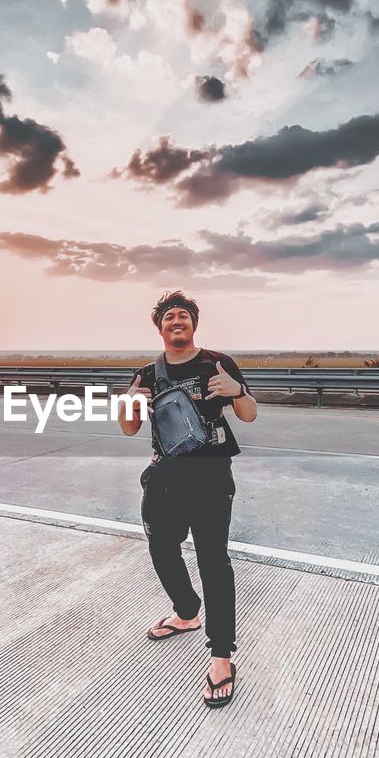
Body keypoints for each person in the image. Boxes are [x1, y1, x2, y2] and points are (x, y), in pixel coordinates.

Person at [117, 291, 257, 708]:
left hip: (211, 476)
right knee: (161, 546)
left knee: (213, 561)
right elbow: (128, 428)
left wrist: (236, 391)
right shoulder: (147, 373)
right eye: (169, 317)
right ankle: (186, 610)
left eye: (183, 316)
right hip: (164, 477)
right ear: (159, 328)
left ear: (194, 324)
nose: (176, 321)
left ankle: (221, 656)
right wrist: (129, 404)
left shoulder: (217, 363)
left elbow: (248, 414)